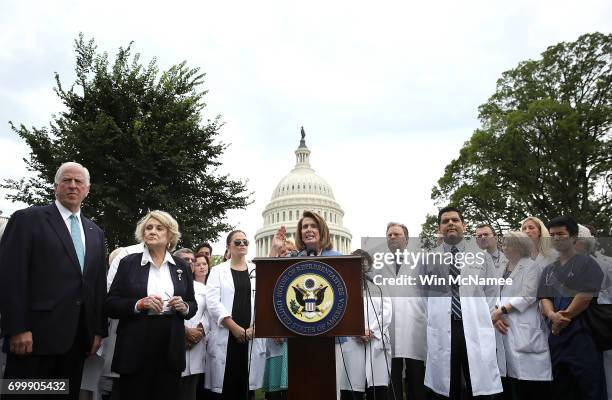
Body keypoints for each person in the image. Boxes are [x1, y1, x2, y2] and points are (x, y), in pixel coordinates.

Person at [0, 162, 107, 400]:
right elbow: (10, 276)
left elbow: (97, 285)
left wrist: (97, 330)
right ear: (55, 187)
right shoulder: (28, 219)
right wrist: (17, 327)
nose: (72, 185)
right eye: (66, 180)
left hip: (77, 342)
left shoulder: (95, 232)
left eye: (78, 182)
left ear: (87, 190)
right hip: (33, 339)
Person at [104, 210, 197, 400]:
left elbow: (192, 304)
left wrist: (184, 306)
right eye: (148, 227)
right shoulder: (127, 263)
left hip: (170, 345)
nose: (152, 231)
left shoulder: (182, 266)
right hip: (135, 344)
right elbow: (111, 304)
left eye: (159, 228)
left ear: (170, 234)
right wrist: (140, 304)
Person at [421, 206, 502, 399]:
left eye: (455, 220)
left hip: (474, 326)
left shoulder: (482, 256)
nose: (450, 223)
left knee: (477, 385)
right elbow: (423, 293)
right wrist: (437, 314)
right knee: (447, 386)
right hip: (444, 326)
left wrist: (482, 315)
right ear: (439, 228)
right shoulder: (428, 258)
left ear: (464, 226)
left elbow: (491, 291)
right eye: (445, 221)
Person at [264, 211, 342, 399]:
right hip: (298, 336)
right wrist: (274, 250)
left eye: (313, 226)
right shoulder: (293, 258)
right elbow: (271, 284)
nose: (308, 230)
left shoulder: (337, 258)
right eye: (304, 227)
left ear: (322, 229)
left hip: (329, 336)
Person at [537, 215, 606, 400]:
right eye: (552, 235)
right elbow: (544, 297)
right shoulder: (548, 270)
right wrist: (552, 315)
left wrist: (561, 320)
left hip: (582, 337)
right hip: (556, 340)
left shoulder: (588, 264)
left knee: (589, 389)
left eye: (561, 234)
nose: (556, 238)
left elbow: (585, 297)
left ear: (574, 236)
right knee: (561, 390)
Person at [205, 230, 266, 399]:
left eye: (245, 242)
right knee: (226, 387)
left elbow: (265, 302)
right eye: (237, 242)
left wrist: (255, 328)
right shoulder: (217, 271)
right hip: (227, 335)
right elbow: (212, 302)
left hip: (251, 337)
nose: (242, 245)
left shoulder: (257, 271)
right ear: (228, 246)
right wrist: (234, 328)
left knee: (246, 389)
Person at [492, 232, 551, 400]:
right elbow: (497, 296)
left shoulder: (532, 266)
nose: (505, 247)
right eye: (504, 243)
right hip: (505, 327)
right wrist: (496, 313)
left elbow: (528, 296)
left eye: (509, 243)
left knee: (531, 386)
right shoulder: (502, 268)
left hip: (525, 328)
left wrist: (501, 311)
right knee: (512, 382)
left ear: (520, 246)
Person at [337, 249, 392, 399]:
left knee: (378, 390)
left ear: (369, 265)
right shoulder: (342, 287)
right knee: (352, 389)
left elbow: (386, 312)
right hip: (353, 342)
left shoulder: (378, 285)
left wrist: (371, 331)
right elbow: (341, 314)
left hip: (375, 341)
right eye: (356, 262)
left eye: (364, 263)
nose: (361, 266)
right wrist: (358, 331)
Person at [382, 222, 426, 400]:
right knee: (393, 381)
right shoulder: (379, 265)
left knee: (416, 379)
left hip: (415, 326)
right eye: (389, 235)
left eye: (397, 234)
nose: (392, 237)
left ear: (406, 240)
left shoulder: (421, 261)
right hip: (389, 329)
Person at [180, 254, 209, 400]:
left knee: (191, 391)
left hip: (198, 343)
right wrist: (185, 332)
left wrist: (200, 331)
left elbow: (210, 313)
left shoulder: (206, 288)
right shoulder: (176, 284)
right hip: (180, 341)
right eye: (187, 260)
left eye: (193, 260)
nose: (191, 263)